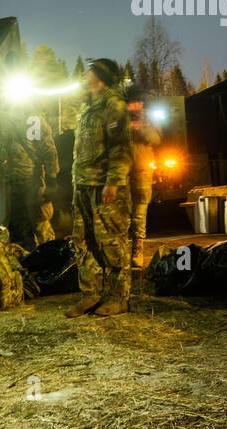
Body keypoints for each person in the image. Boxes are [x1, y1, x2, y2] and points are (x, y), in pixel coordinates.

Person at [66, 58, 133, 317]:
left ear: (101, 76)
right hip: (82, 183)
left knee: (111, 243)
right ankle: (91, 294)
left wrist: (113, 182)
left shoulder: (113, 105)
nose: (85, 73)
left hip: (103, 186)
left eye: (90, 70)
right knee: (82, 241)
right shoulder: (87, 106)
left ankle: (119, 297)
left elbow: (121, 149)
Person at [2, 108, 58, 249]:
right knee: (20, 226)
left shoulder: (34, 120)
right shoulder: (6, 118)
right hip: (13, 181)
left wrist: (52, 180)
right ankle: (29, 260)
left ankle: (51, 260)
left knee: (40, 224)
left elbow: (49, 151)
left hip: (32, 182)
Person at [125, 89, 161, 269]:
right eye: (131, 103)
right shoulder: (118, 119)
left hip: (142, 169)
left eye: (138, 102)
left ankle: (137, 250)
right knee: (122, 211)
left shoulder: (148, 120)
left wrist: (141, 128)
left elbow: (156, 139)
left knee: (139, 212)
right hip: (122, 171)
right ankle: (121, 250)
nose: (135, 106)